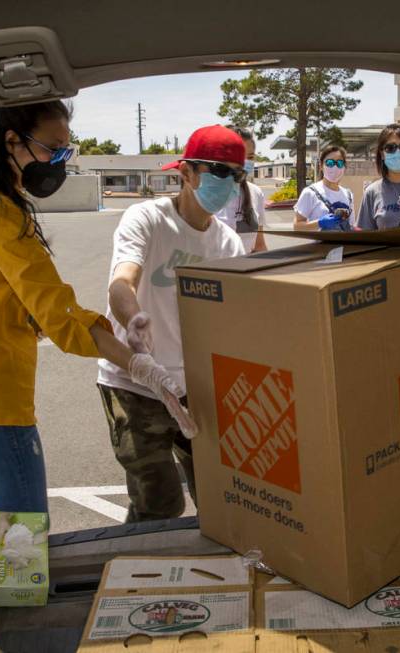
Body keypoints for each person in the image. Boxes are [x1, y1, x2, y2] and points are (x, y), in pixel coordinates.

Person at [0, 101, 187, 515]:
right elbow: (60, 316)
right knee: (24, 548)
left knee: (18, 541)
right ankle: (20, 587)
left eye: (67, 151)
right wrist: (143, 369)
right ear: (12, 142)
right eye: (52, 149)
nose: (59, 162)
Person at [98, 124, 248, 523]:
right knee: (159, 504)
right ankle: (142, 578)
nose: (228, 182)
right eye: (219, 171)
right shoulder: (146, 219)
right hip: (135, 381)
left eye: (237, 174)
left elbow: (232, 318)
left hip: (194, 386)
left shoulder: (227, 243)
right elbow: (121, 281)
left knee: (217, 494)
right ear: (186, 173)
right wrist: (134, 319)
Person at [214, 125, 268, 252]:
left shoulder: (256, 192)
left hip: (246, 269)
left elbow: (260, 246)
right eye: (238, 155)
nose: (244, 162)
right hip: (215, 270)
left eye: (249, 157)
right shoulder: (208, 194)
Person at [293, 145, 356, 231]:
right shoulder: (310, 193)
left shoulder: (348, 195)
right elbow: (297, 227)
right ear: (321, 166)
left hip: (345, 244)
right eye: (330, 163)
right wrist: (319, 223)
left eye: (339, 163)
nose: (335, 167)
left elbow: (351, 226)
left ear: (344, 167)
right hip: (320, 244)